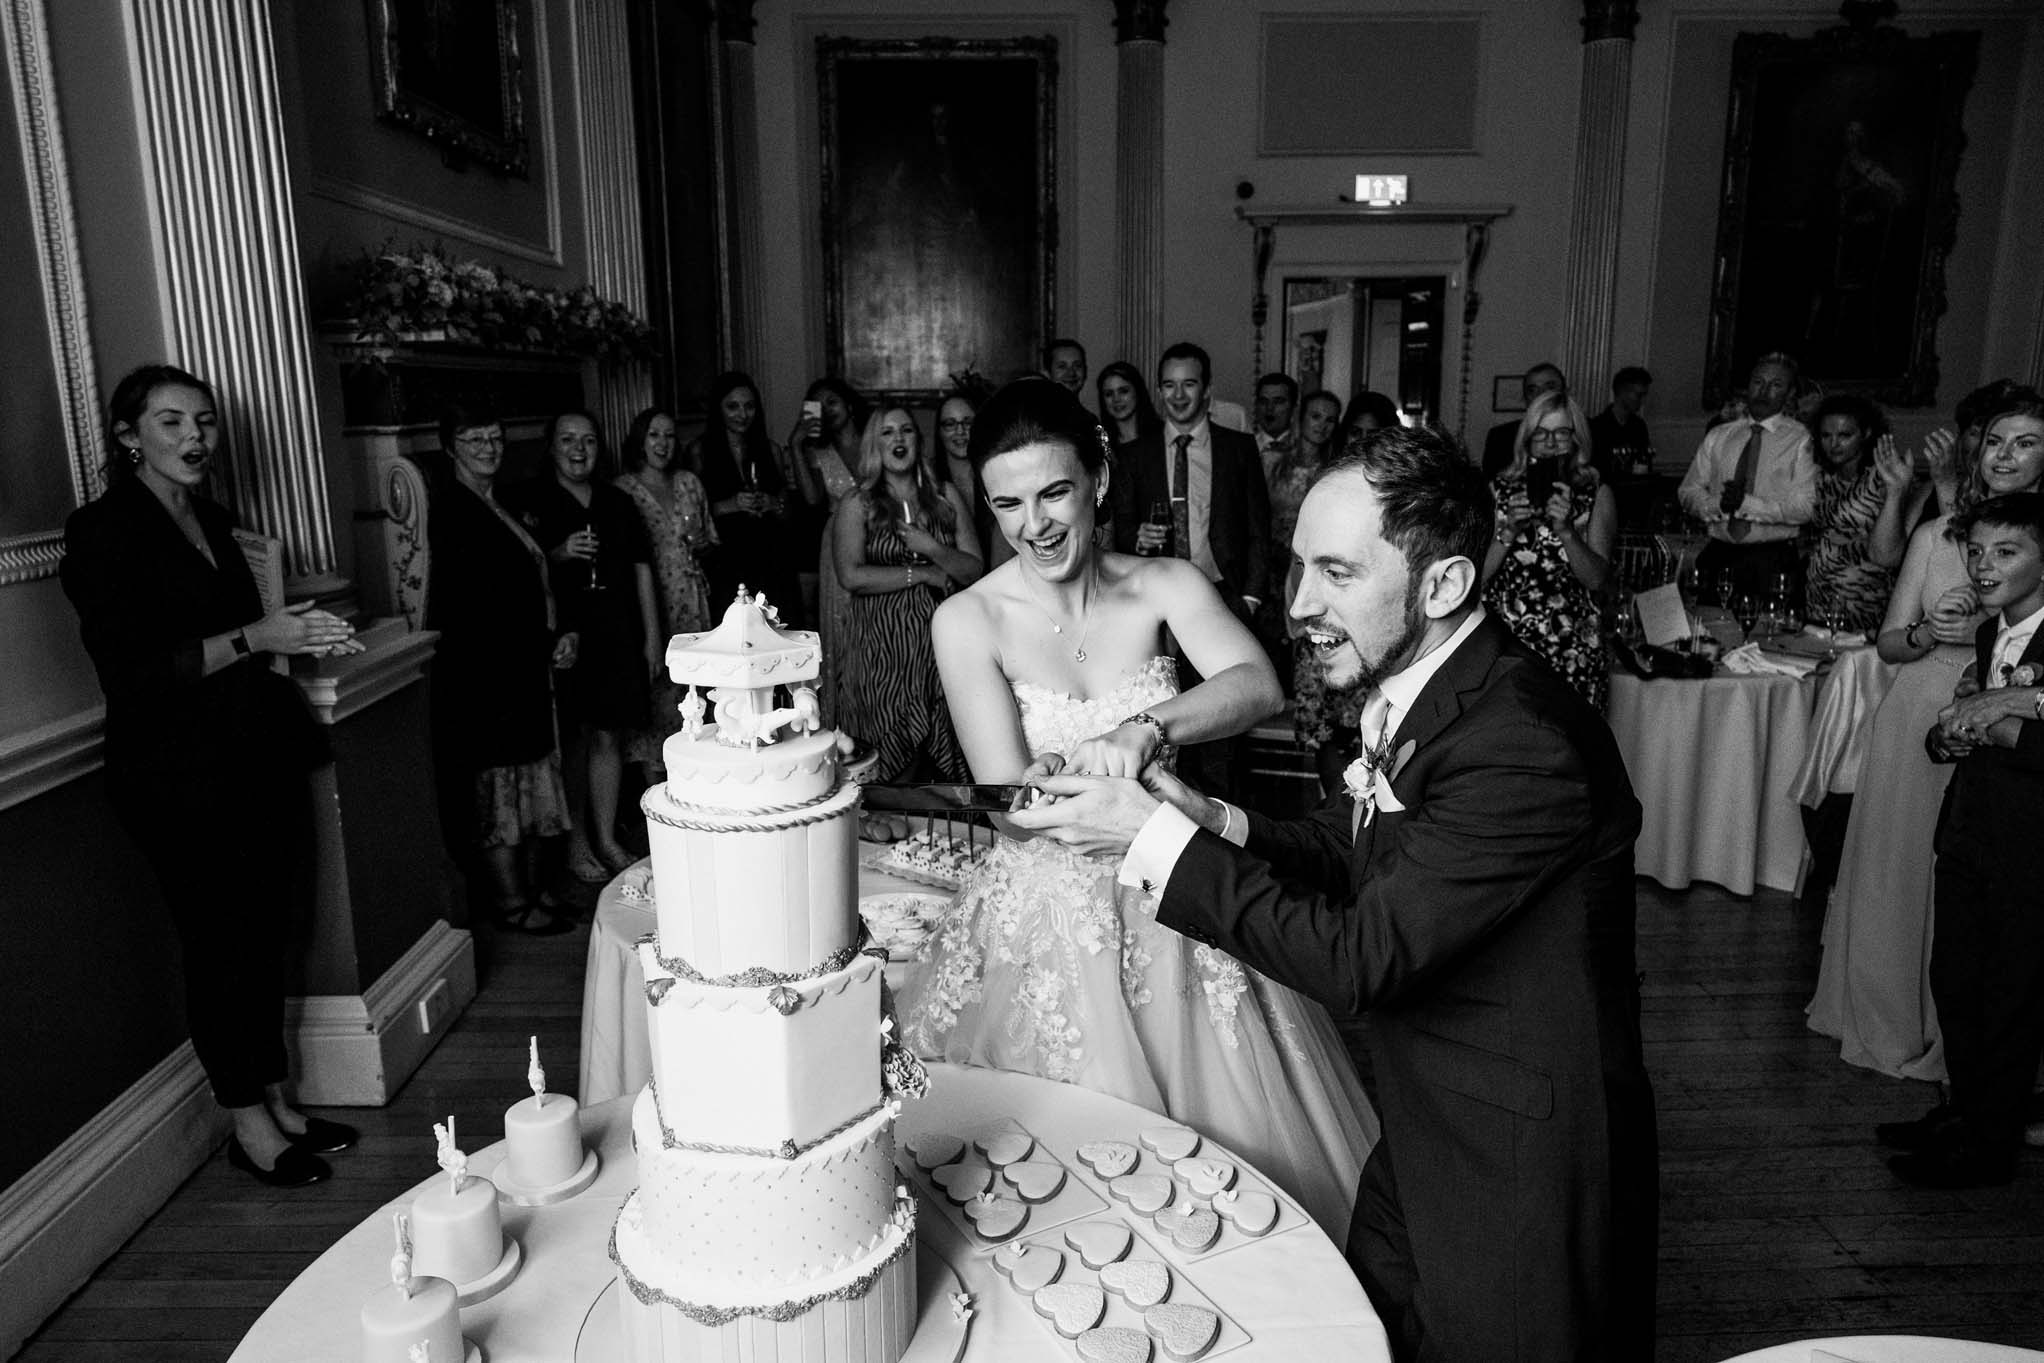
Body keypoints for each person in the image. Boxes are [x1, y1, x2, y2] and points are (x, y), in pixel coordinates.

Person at [1011, 422, 1657, 1361]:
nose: (1299, 603)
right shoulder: (1429, 677)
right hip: (1428, 1120)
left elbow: (1359, 958)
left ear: (1443, 586)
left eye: (1338, 573)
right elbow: (1350, 842)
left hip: (1521, 1159)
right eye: (1296, 566)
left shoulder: (1524, 743)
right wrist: (1206, 816)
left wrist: (1143, 838)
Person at [901, 378, 1379, 1238]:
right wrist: (1043, 780)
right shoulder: (967, 619)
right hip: (1048, 920)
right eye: (1008, 503)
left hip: (1176, 880)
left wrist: (1143, 730)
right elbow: (1008, 804)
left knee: (1222, 1184)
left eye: (1054, 492)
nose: (1035, 524)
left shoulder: (1165, 583)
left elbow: (1257, 684)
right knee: (1057, 1202)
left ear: (1100, 479)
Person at [62, 364, 365, 1187]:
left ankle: (276, 1098)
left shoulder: (216, 519)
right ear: (130, 437)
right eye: (171, 422)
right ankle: (248, 1123)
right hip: (172, 774)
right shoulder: (102, 532)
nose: (195, 438)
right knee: (220, 944)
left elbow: (244, 634)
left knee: (266, 933)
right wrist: (260, 635)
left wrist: (299, 636)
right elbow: (134, 675)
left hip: (249, 755)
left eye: (205, 422)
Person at [1808, 393, 2044, 1088]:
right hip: (1920, 711)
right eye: (1994, 440)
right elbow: (1887, 641)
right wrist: (1926, 634)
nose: (2002, 454)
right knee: (1907, 874)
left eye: (2022, 442)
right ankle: (1903, 1023)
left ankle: (1986, 1063)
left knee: (2001, 897)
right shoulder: (1940, 534)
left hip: (2017, 733)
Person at [1899, 491, 2044, 1188]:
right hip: (1969, 831)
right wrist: (1949, 732)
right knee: (1954, 980)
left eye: (2006, 551)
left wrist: (1993, 721)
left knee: (2011, 997)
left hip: (2029, 847)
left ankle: (1989, 1147)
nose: (1985, 566)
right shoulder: (1991, 635)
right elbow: (1968, 725)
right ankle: (1965, 1113)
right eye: (1977, 551)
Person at [425, 402, 577, 936]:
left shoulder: (501, 502)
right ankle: (511, 903)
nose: (487, 448)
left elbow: (528, 582)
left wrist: (557, 636)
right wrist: (540, 642)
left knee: (529, 782)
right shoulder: (451, 510)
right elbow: (475, 605)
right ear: (451, 448)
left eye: (494, 438)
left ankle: (532, 891)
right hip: (486, 676)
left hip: (524, 667)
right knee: (500, 792)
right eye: (474, 439)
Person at [1111, 341, 1271, 798]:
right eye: (1168, 385)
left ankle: (1218, 838)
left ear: (1207, 390)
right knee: (1159, 726)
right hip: (1152, 609)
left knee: (1220, 735)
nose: (1178, 395)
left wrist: (1252, 600)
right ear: (1159, 391)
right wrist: (1135, 543)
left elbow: (1258, 530)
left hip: (1221, 600)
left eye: (1189, 384)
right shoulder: (1136, 453)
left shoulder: (1238, 448)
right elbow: (1117, 535)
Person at [503, 411, 657, 883]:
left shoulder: (617, 500)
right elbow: (517, 574)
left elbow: (641, 568)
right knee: (575, 739)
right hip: (566, 634)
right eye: (568, 439)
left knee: (609, 735)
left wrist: (652, 638)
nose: (579, 449)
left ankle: (607, 838)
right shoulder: (530, 501)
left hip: (616, 629)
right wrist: (558, 554)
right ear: (551, 446)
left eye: (588, 440)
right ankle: (577, 844)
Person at [833, 404, 983, 779]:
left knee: (944, 753)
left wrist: (932, 548)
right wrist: (923, 574)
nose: (898, 439)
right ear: (874, 445)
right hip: (880, 648)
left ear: (918, 440)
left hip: (941, 646)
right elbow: (850, 575)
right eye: (887, 432)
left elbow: (974, 568)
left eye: (906, 431)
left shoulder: (945, 494)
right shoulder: (858, 502)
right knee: (887, 752)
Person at [1482, 390, 1616, 711]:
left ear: (1577, 440)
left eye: (1561, 433)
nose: (1551, 443)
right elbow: (1475, 578)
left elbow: (1597, 580)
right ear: (1526, 440)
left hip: (1572, 649)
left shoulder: (1595, 493)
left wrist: (1567, 531)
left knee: (1568, 753)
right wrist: (1508, 533)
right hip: (1506, 647)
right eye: (1540, 434)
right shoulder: (1499, 490)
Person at [614, 406, 718, 772]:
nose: (663, 443)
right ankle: (654, 787)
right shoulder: (623, 489)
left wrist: (702, 541)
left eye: (670, 435)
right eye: (654, 434)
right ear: (640, 440)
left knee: (694, 689)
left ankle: (698, 773)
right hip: (650, 601)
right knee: (657, 688)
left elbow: (707, 544)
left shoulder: (689, 482)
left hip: (691, 599)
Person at [1280, 392, 1369, 796]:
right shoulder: (1321, 476)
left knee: (1357, 720)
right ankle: (1338, 810)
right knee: (1321, 721)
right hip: (1299, 589)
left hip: (1353, 613)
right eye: (1357, 431)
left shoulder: (1369, 489)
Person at [1678, 352, 1817, 599]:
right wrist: (1716, 505)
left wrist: (1747, 505)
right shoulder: (1720, 436)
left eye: (1776, 385)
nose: (1763, 392)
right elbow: (1688, 491)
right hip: (1719, 554)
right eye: (1758, 383)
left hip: (1771, 559)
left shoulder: (1800, 439)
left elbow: (1805, 507)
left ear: (1790, 393)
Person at [788, 376, 870, 725]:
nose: (827, 410)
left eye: (832, 401)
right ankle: (846, 722)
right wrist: (796, 445)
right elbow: (811, 500)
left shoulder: (874, 442)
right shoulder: (818, 454)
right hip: (836, 541)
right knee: (842, 628)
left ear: (849, 404)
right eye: (818, 405)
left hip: (879, 537)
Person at [693, 370, 802, 618]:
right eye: (733, 406)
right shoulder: (701, 451)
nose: (742, 415)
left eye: (749, 407)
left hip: (770, 555)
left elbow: (789, 513)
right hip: (727, 559)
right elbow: (692, 515)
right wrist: (729, 505)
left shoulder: (771, 449)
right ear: (719, 409)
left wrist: (774, 503)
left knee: (776, 629)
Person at [1804, 394, 1906, 635]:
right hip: (1818, 596)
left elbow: (1898, 542)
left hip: (1864, 599)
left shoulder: (1885, 477)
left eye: (1844, 435)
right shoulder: (1823, 478)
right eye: (1826, 436)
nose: (1834, 444)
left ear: (1866, 433)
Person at [1481, 361, 1566, 476]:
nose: (1541, 394)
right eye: (1532, 390)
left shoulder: (1588, 431)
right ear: (1525, 399)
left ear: (1564, 392)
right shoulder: (1501, 437)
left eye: (1549, 387)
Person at [1589, 365, 1654, 486]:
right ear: (1622, 392)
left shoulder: (1639, 427)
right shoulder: (1597, 427)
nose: (1642, 401)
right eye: (1639, 395)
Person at [1096, 359, 1162, 456]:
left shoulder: (1164, 437)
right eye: (1109, 394)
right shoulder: (1099, 445)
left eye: (1123, 391)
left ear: (1138, 392)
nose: (1116, 399)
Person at [1252, 371, 1299, 479]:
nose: (1269, 408)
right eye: (1263, 401)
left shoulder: (1303, 449)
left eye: (1278, 402)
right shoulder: (1244, 448)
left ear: (1294, 408)